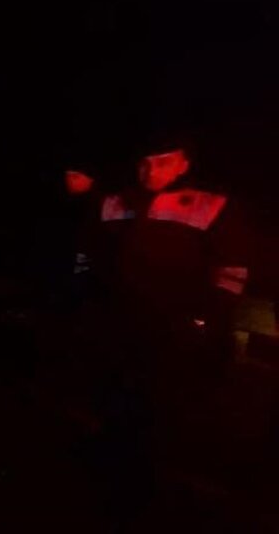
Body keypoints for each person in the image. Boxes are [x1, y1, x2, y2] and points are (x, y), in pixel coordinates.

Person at [78, 134, 251, 519]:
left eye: (163, 161)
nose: (151, 171)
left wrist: (204, 321)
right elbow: (91, 249)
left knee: (164, 414)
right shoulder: (117, 200)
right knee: (117, 401)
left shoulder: (212, 204)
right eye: (145, 162)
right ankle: (109, 479)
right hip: (122, 323)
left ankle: (157, 498)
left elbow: (232, 271)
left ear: (184, 164)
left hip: (175, 331)